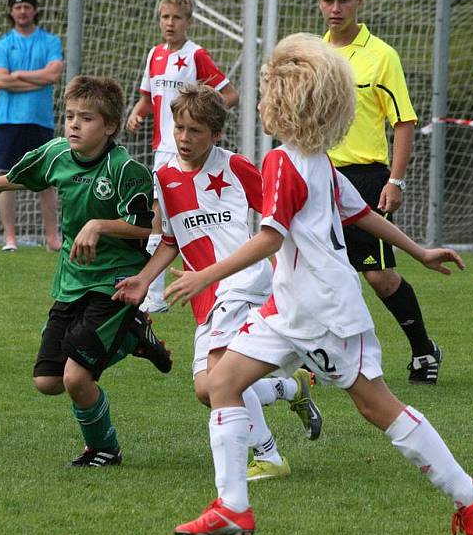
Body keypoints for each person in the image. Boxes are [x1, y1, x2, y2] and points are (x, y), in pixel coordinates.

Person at [169, 33, 473, 535]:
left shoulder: (285, 161)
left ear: (286, 102)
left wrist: (204, 276)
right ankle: (232, 507)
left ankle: (470, 493)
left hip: (323, 310)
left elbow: (271, 236)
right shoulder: (316, 157)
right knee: (222, 382)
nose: (258, 102)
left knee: (376, 406)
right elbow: (361, 213)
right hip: (291, 306)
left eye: (266, 93)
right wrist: (420, 251)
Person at [114, 84, 321, 482]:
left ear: (216, 134)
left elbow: (278, 220)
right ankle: (290, 389)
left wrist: (298, 269)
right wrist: (143, 281)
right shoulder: (165, 177)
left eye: (195, 131)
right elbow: (172, 241)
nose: (184, 138)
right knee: (208, 390)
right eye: (179, 128)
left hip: (243, 283)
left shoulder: (236, 167)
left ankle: (269, 456)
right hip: (204, 294)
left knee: (222, 376)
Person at [0, 76, 172, 468]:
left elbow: (150, 227)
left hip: (115, 282)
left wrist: (99, 225)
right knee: (47, 382)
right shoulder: (57, 153)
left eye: (87, 118)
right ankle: (133, 338)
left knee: (76, 379)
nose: (74, 125)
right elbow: (27, 173)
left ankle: (104, 448)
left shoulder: (125, 170)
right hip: (71, 280)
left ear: (110, 126)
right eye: (70, 117)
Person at [318, 0, 442, 385]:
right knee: (317, 271)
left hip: (368, 178)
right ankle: (318, 359)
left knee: (378, 275)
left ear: (359, 1)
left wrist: (396, 180)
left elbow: (403, 122)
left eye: (343, 0)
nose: (335, 9)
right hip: (319, 177)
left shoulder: (381, 55)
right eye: (328, 0)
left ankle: (424, 351)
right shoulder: (314, 54)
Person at [126, 0, 239, 314]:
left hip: (192, 150)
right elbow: (148, 98)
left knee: (183, 217)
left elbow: (228, 94)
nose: (169, 23)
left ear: (188, 22)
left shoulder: (195, 55)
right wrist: (137, 113)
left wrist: (202, 117)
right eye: (165, 17)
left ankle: (170, 291)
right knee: (163, 219)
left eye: (176, 18)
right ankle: (159, 292)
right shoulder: (154, 55)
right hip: (163, 148)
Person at [0, 0, 63, 252]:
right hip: (8, 120)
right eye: (18, 7)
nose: (22, 11)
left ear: (35, 10)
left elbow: (54, 74)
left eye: (27, 7)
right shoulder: (2, 44)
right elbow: (0, 80)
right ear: (11, 11)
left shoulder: (50, 41)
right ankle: (10, 238)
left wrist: (19, 75)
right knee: (7, 177)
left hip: (40, 120)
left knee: (45, 179)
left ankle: (52, 239)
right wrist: (35, 79)